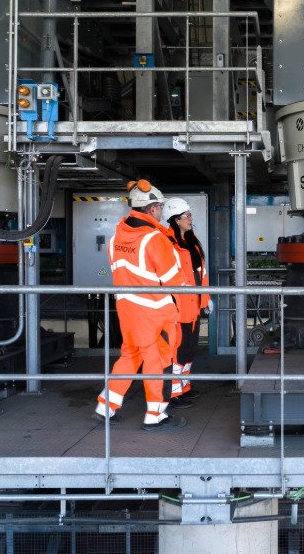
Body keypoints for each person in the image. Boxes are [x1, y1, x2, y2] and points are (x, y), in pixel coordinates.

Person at [93, 179, 186, 431]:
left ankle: (106, 405)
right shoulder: (155, 239)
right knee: (159, 359)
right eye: (160, 207)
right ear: (153, 209)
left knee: (130, 355)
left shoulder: (116, 238)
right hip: (155, 312)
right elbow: (174, 282)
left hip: (127, 310)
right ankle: (155, 415)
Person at [162, 198, 210, 408]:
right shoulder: (167, 243)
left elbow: (201, 273)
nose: (190, 219)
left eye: (190, 215)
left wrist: (206, 298)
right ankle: (173, 394)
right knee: (177, 350)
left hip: (195, 305)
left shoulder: (192, 242)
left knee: (190, 349)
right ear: (175, 219)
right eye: (186, 216)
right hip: (178, 307)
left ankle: (184, 387)